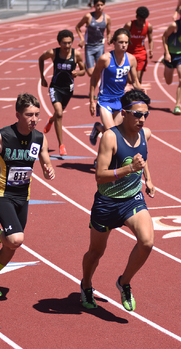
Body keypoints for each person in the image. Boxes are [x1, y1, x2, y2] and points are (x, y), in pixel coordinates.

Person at [0, 93, 55, 298]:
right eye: (28, 115)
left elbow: (45, 160)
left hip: (23, 197)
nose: (33, 119)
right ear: (18, 115)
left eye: (37, 114)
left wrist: (48, 169)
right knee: (16, 239)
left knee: (11, 245)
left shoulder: (39, 138)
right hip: (2, 193)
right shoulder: (1, 136)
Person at [80, 89, 155, 312]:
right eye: (137, 115)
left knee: (147, 242)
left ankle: (124, 282)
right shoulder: (111, 137)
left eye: (146, 115)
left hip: (132, 200)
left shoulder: (146, 134)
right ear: (124, 113)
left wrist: (148, 179)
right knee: (96, 252)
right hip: (107, 203)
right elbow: (99, 175)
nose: (142, 119)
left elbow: (143, 157)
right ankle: (85, 285)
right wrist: (129, 169)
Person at [88, 28, 142, 147]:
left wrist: (142, 93)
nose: (124, 45)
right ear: (114, 42)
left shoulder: (131, 59)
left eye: (126, 42)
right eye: (121, 42)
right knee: (110, 133)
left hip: (120, 100)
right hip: (105, 100)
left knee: (118, 135)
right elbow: (93, 79)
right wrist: (92, 100)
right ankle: (102, 157)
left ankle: (98, 129)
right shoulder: (105, 59)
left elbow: (135, 82)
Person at [39, 30, 86, 156]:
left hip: (68, 89)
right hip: (55, 87)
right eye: (64, 43)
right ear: (59, 43)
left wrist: (78, 73)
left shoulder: (76, 54)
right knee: (59, 113)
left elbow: (83, 70)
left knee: (58, 114)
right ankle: (61, 145)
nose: (67, 46)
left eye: (69, 43)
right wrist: (42, 77)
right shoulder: (53, 53)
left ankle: (51, 120)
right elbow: (41, 59)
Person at [76, 0, 111, 86]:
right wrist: (82, 39)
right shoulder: (88, 16)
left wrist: (110, 39)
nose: (99, 7)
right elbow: (77, 27)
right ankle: (86, 65)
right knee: (90, 73)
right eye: (97, 5)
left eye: (101, 5)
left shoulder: (107, 18)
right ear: (94, 6)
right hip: (89, 46)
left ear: (104, 5)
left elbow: (109, 32)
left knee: (100, 69)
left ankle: (94, 89)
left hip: (100, 46)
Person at [124, 6, 153, 83]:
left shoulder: (148, 26)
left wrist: (151, 50)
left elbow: (150, 40)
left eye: (143, 20)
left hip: (141, 54)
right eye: (140, 20)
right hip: (128, 53)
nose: (141, 22)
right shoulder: (129, 25)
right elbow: (121, 35)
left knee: (137, 79)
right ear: (136, 17)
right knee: (130, 80)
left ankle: (137, 94)